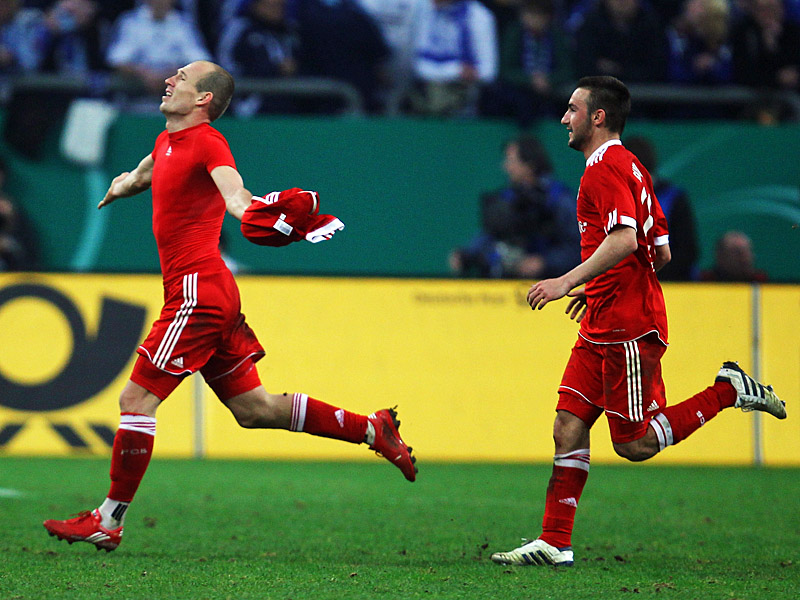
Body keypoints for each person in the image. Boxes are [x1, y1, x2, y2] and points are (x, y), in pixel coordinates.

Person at [43, 60, 417, 552]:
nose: (168, 81)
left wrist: (265, 214)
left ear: (203, 99)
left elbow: (235, 196)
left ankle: (108, 520)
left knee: (135, 401)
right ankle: (373, 429)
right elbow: (143, 175)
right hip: (209, 293)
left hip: (196, 293)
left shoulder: (209, 142)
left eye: (180, 78)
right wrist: (119, 187)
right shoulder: (167, 141)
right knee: (255, 409)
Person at [490, 76, 785, 567]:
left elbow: (626, 240)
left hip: (627, 327)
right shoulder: (634, 169)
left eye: (572, 109)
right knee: (568, 425)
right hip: (603, 318)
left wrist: (567, 280)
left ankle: (727, 390)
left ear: (597, 117)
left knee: (636, 443)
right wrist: (598, 287)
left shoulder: (604, 169)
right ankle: (555, 541)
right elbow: (660, 252)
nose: (564, 118)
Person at [449, 135, 580, 279]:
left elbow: (577, 248)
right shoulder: (508, 197)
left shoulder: (559, 199)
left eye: (511, 161)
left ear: (529, 166)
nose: (506, 167)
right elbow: (489, 235)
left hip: (553, 282)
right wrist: (466, 255)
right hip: (508, 282)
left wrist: (544, 262)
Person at [623, 135, 699, 281]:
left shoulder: (674, 199)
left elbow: (687, 251)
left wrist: (647, 277)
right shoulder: (613, 199)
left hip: (671, 283)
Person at [409, 0, 498, 117]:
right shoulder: (425, 11)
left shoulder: (479, 16)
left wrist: (462, 74)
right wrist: (456, 70)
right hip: (429, 86)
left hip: (467, 91)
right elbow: (418, 64)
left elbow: (488, 72)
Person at [700, 230, 768, 282]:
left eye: (748, 251)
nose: (745, 258)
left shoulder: (761, 281)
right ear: (721, 256)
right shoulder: (705, 282)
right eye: (738, 252)